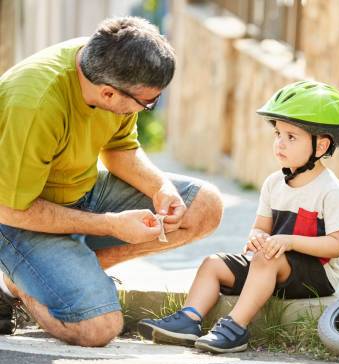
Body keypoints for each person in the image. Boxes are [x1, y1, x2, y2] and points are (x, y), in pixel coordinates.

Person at [0, 17, 223, 347]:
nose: (148, 108)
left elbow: (120, 149)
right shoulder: (34, 104)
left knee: (204, 206)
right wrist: (110, 225)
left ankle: (57, 272)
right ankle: (22, 282)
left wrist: (159, 187)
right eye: (147, 102)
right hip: (19, 217)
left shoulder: (114, 67)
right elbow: (10, 209)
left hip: (81, 191)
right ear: (107, 92)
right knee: (99, 327)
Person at [138, 80, 339, 353]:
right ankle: (188, 320)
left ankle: (235, 328)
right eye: (278, 134)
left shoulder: (330, 191)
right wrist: (257, 238)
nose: (280, 143)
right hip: (271, 265)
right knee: (213, 263)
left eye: (291, 137)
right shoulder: (274, 183)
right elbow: (259, 228)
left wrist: (288, 241)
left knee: (266, 258)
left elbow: (338, 245)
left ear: (321, 146)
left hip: (315, 275)